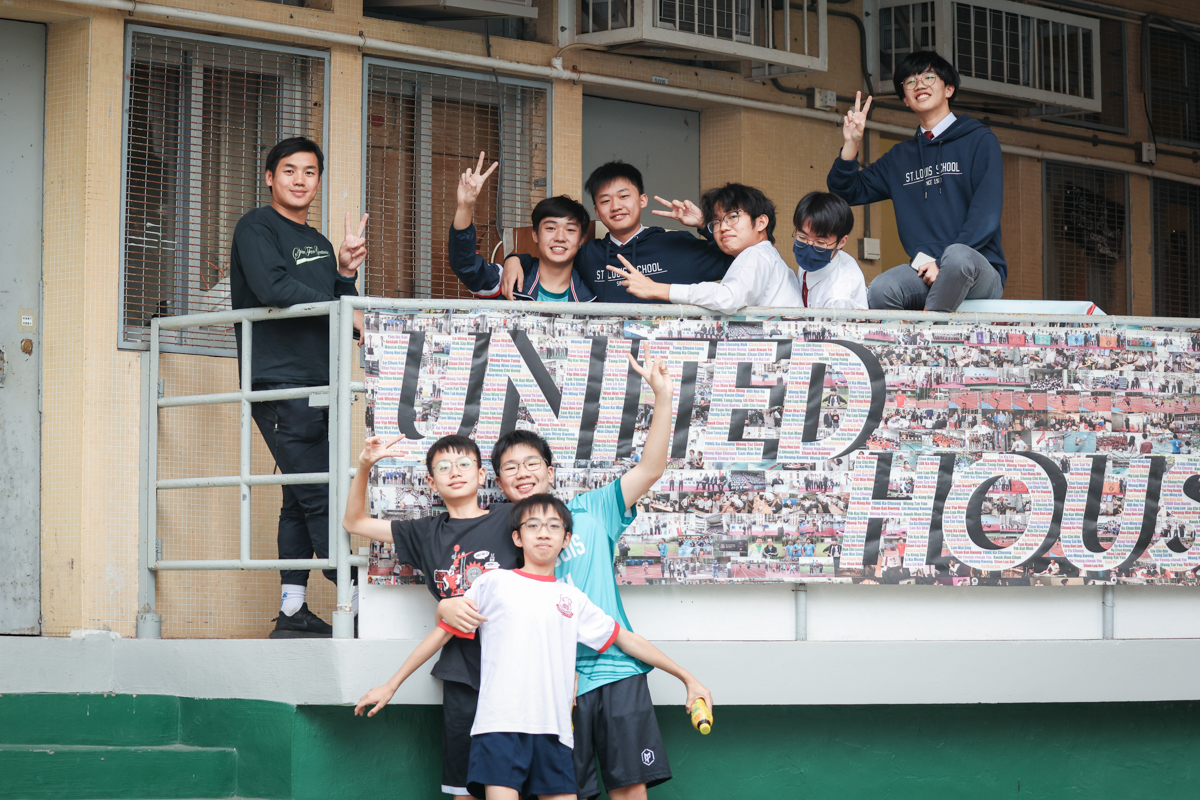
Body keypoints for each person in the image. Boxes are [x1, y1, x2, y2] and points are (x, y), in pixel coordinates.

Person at [355, 495, 712, 800]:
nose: (543, 533)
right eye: (533, 526)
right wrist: (391, 684)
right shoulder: (493, 583)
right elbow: (441, 634)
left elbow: (627, 640)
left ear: (566, 539)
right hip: (498, 728)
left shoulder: (573, 599)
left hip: (555, 733)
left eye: (554, 526)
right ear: (517, 536)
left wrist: (687, 677)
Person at [438, 355, 681, 799]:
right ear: (499, 483)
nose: (523, 473)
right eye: (510, 468)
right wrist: (445, 603)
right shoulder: (503, 540)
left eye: (532, 463)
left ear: (550, 471)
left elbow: (650, 469)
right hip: (548, 690)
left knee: (630, 791)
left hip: (613, 670)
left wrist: (663, 396)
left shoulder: (592, 510)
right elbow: (466, 588)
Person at [230, 136, 367, 638]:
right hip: (279, 381)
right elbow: (273, 288)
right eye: (289, 170)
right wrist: (342, 308)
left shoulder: (321, 243)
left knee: (299, 493)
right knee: (319, 491)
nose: (299, 180)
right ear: (270, 177)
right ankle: (358, 595)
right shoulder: (256, 226)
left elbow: (337, 304)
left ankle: (292, 611)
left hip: (321, 380)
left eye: (309, 172)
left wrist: (345, 273)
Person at [342, 433, 524, 798]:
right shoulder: (425, 532)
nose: (454, 472)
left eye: (464, 464)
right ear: (430, 480)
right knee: (464, 786)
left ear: (481, 474)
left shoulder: (511, 518)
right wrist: (363, 467)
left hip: (516, 668)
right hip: (462, 672)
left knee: (514, 783)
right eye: (443, 467)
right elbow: (355, 522)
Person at [827, 51, 1006, 312]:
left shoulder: (980, 140)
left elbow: (986, 215)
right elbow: (844, 192)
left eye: (929, 77)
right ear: (905, 100)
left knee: (957, 257)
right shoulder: (900, 158)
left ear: (949, 89)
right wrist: (852, 142)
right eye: (910, 81)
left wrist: (942, 264)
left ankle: (926, 332)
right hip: (924, 270)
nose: (919, 84)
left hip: (977, 267)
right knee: (882, 289)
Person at [500, 161, 733, 303]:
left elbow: (736, 261)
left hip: (662, 360)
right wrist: (513, 260)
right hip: (608, 361)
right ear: (597, 211)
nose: (616, 206)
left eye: (623, 196)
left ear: (642, 200)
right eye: (605, 200)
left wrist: (705, 225)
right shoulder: (589, 254)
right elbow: (552, 261)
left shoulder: (677, 244)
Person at [608, 183, 803, 314]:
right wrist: (704, 221)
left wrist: (657, 289)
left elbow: (727, 297)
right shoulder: (768, 256)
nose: (723, 227)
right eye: (717, 222)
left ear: (761, 222)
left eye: (733, 216)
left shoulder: (755, 254)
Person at [449, 152, 594, 302]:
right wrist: (465, 208)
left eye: (570, 230)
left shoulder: (591, 299)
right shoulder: (507, 280)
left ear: (581, 239)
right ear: (535, 234)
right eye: (551, 228)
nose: (560, 237)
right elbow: (466, 266)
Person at [790, 192, 868, 310]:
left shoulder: (839, 298)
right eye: (802, 237)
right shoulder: (813, 264)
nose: (809, 249)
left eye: (820, 242)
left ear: (841, 242)